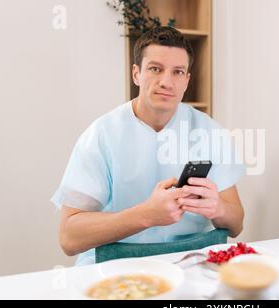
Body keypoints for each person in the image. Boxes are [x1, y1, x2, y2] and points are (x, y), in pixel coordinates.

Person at [51, 27, 245, 265]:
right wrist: (146, 215)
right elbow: (69, 238)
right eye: (155, 69)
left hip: (190, 262)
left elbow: (236, 224)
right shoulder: (101, 135)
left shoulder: (210, 131)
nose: (166, 82)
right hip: (119, 265)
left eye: (177, 72)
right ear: (136, 74)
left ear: (186, 80)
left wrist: (218, 209)